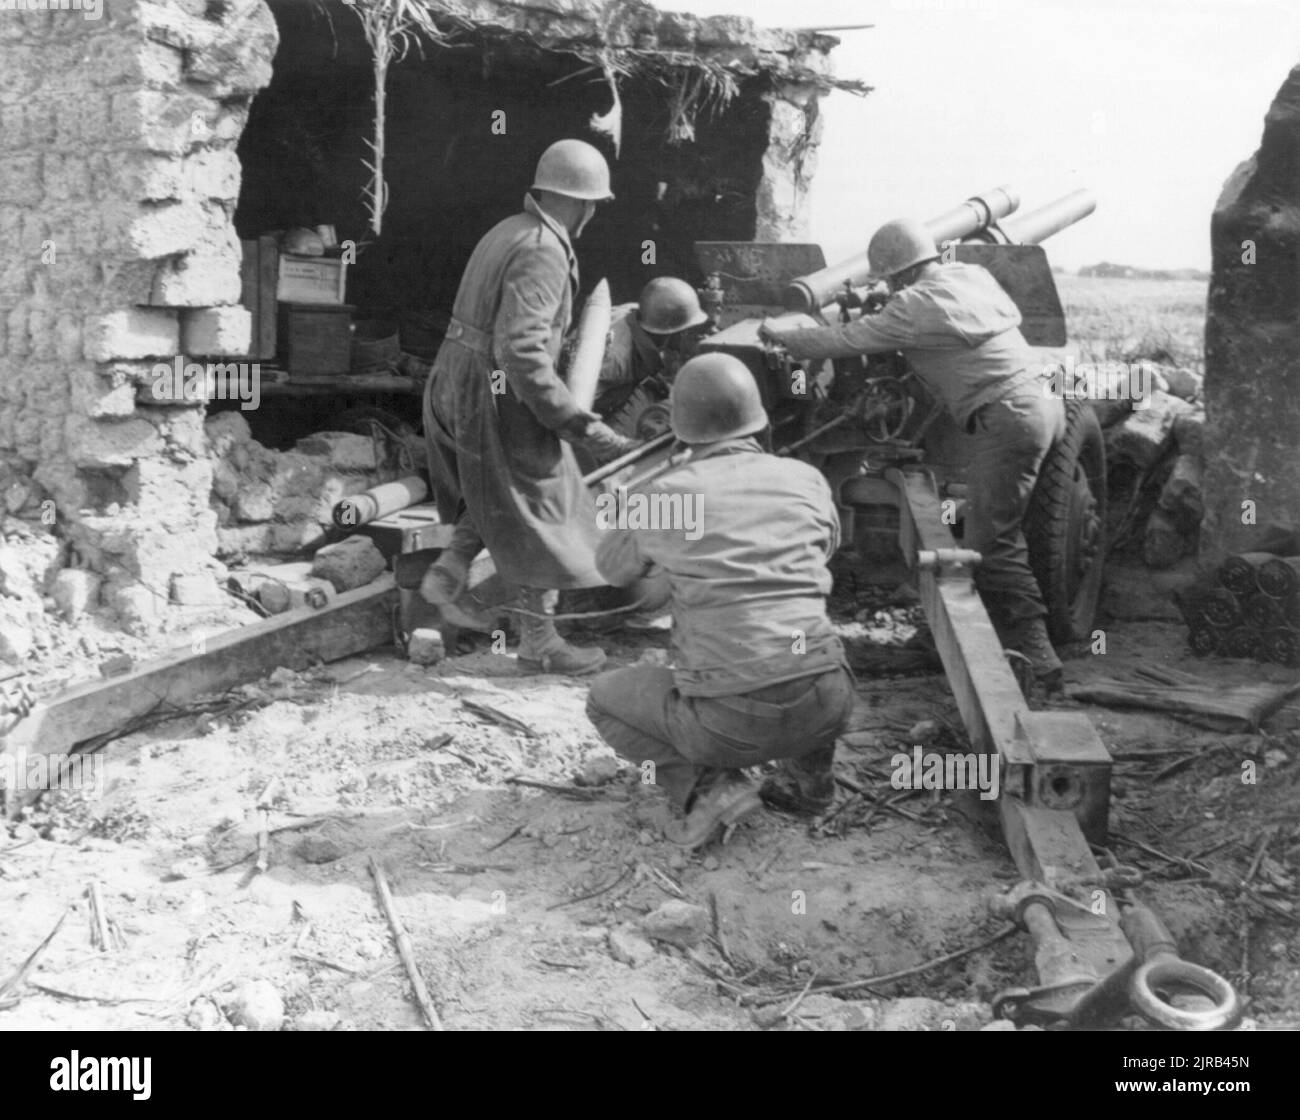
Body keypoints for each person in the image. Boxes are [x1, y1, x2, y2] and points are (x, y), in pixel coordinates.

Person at [760, 218, 1067, 691]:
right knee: (1003, 525)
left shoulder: (914, 305)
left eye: (886, 279)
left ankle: (1038, 656)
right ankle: (969, 631)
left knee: (993, 542)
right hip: (1043, 400)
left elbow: (847, 340)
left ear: (896, 274)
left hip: (1008, 416)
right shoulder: (970, 276)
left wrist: (784, 337)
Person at [584, 354, 855, 849]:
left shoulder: (667, 495)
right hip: (829, 699)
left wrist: (637, 504)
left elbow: (613, 570)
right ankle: (809, 783)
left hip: (730, 724)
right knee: (794, 631)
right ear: (756, 417)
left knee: (604, 700)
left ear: (680, 427)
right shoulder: (806, 479)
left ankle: (710, 789)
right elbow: (821, 550)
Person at [420, 139, 636, 675]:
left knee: (495, 482)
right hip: (493, 389)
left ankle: (448, 570)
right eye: (593, 206)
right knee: (543, 500)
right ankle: (540, 641)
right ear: (583, 203)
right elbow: (519, 349)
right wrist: (575, 424)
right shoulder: (543, 247)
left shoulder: (507, 229)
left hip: (458, 378)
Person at [591, 276, 712, 421]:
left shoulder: (642, 312)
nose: (688, 336)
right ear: (669, 332)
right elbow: (575, 412)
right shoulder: (616, 363)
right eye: (686, 331)